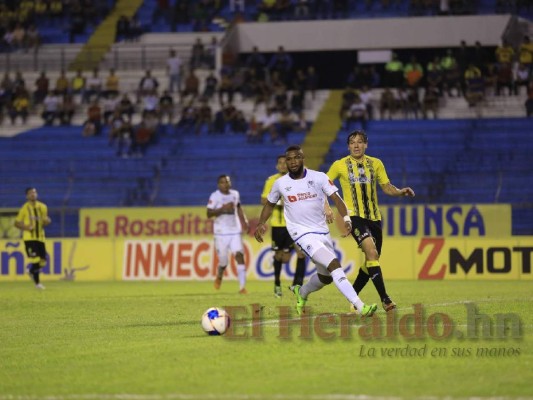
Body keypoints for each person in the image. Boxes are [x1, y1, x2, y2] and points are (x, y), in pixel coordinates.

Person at [255, 145, 378, 317]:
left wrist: (347, 219)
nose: (292, 162)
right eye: (289, 159)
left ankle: (302, 292)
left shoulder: (319, 177)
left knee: (326, 277)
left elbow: (336, 198)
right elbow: (269, 203)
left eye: (296, 157)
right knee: (334, 264)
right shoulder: (280, 184)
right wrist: (261, 223)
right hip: (301, 234)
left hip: (322, 232)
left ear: (303, 158)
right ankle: (360, 306)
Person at [326, 130, 415, 312]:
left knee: (371, 259)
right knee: (372, 252)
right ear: (348, 146)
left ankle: (353, 298)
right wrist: (326, 207)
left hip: (375, 218)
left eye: (360, 142)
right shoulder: (340, 165)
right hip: (354, 217)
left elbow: (387, 187)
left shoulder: (376, 164)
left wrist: (400, 192)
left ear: (366, 144)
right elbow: (322, 185)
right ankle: (386, 299)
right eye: (352, 142)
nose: (356, 145)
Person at [260, 155, 307, 298]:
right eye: (279, 163)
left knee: (301, 253)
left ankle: (297, 285)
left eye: (284, 163)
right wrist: (279, 202)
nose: (282, 165)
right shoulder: (271, 180)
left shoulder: (296, 179)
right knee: (281, 257)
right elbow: (263, 200)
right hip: (278, 225)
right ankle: (277, 284)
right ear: (276, 166)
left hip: (294, 224)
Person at [207, 175, 249, 294]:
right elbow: (209, 213)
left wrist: (244, 221)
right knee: (224, 262)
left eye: (227, 182)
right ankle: (220, 274)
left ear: (230, 183)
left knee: (239, 256)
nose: (225, 184)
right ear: (218, 185)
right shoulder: (215, 196)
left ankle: (242, 287)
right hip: (220, 233)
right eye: (222, 182)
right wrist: (222, 208)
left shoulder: (235, 194)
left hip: (235, 230)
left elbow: (239, 208)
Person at [14, 187, 51, 290]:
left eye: (34, 192)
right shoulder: (24, 208)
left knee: (43, 261)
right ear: (27, 196)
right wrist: (26, 227)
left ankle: (31, 271)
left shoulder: (43, 207)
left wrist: (47, 221)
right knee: (35, 259)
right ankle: (37, 283)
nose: (33, 194)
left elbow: (44, 221)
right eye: (30, 193)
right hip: (29, 238)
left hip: (40, 237)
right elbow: (16, 223)